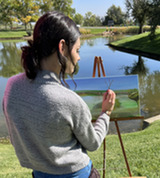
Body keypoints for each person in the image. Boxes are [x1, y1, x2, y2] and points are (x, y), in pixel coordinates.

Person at [2, 11, 116, 178]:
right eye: (77, 50)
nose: (78, 58)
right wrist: (106, 113)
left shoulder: (12, 86)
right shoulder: (69, 101)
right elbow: (93, 143)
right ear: (62, 48)